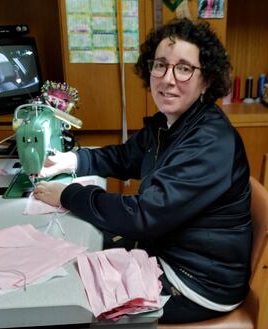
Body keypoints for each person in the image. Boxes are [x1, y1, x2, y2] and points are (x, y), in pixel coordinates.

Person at [34, 18, 252, 324]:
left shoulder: (210, 142)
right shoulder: (170, 124)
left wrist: (70, 194)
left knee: (71, 303)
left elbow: (143, 216)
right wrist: (75, 161)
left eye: (185, 68)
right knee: (71, 258)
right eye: (160, 65)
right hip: (167, 251)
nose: (168, 79)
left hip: (196, 283)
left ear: (206, 81)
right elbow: (126, 157)